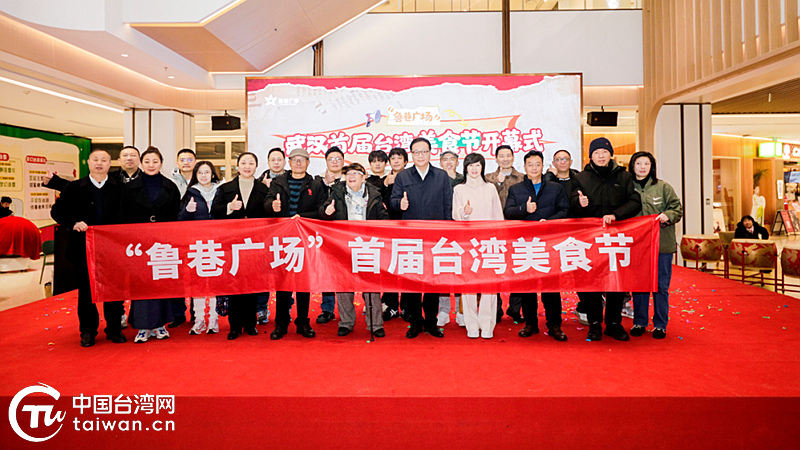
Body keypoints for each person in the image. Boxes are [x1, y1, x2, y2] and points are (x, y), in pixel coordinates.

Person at [50, 149, 125, 347]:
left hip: (112, 249)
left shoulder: (120, 188)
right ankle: (88, 331)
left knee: (113, 290)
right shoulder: (74, 188)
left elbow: (127, 214)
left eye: (104, 160)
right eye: (95, 159)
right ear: (88, 162)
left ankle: (114, 329)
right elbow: (57, 211)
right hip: (83, 248)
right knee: (86, 291)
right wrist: (73, 222)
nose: (99, 163)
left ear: (110, 164)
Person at [571, 137, 642, 341]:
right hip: (590, 239)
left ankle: (613, 323)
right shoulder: (581, 178)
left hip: (616, 238)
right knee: (591, 281)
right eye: (596, 152)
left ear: (611, 154)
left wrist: (616, 215)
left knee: (615, 282)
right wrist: (579, 203)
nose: (601, 156)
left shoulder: (624, 176)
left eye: (604, 152)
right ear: (590, 156)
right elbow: (571, 205)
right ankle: (594, 323)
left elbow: (635, 201)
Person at [390, 137, 452, 339]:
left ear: (430, 153)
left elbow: (448, 205)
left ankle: (431, 323)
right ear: (412, 155)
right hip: (411, 238)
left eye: (424, 151)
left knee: (433, 282)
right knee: (413, 283)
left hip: (435, 238)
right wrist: (400, 204)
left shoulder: (441, 176)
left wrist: (448, 232)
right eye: (416, 152)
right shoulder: (403, 176)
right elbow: (393, 200)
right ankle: (415, 322)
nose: (420, 155)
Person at [118, 146, 182, 344]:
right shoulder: (129, 188)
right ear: (141, 163)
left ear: (161, 163)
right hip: (139, 244)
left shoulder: (170, 187)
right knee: (141, 284)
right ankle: (143, 326)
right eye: (147, 161)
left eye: (155, 161)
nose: (151, 165)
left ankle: (161, 324)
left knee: (162, 282)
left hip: (163, 243)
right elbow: (123, 215)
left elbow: (176, 216)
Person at [505, 150, 570, 341]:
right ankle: (530, 323)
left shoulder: (555, 188)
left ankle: (554, 325)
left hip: (550, 243)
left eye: (537, 164)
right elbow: (508, 212)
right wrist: (524, 209)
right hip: (526, 244)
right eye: (530, 164)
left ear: (543, 166)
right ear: (524, 167)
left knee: (551, 286)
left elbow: (565, 210)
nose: (534, 168)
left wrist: (549, 221)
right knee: (528, 286)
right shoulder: (516, 189)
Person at [319, 162, 389, 337]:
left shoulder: (374, 194)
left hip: (367, 244)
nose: (351, 176)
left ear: (364, 177)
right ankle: (346, 322)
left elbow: (384, 218)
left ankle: (375, 324)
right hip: (343, 245)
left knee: (371, 285)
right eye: (348, 173)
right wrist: (327, 211)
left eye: (356, 173)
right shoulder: (336, 192)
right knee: (343, 284)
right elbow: (322, 213)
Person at [264, 147, 327, 340]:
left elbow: (321, 210)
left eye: (302, 160)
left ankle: (303, 322)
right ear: (289, 162)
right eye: (295, 160)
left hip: (304, 239)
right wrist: (272, 206)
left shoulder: (316, 185)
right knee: (283, 282)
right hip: (282, 239)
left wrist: (302, 217)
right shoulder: (278, 182)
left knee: (303, 282)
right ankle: (281, 323)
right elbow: (266, 203)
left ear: (308, 163)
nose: (298, 163)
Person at [210, 152, 269, 340]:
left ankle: (250, 324)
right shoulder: (225, 188)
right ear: (238, 165)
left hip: (254, 243)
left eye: (251, 163)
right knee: (234, 284)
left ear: (256, 166)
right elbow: (215, 211)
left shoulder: (263, 189)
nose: (247, 166)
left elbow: (269, 215)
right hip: (232, 243)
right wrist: (229, 207)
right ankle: (234, 326)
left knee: (252, 284)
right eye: (243, 163)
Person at [629, 152, 683, 340]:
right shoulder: (627, 188)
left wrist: (669, 215)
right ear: (632, 166)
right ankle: (639, 322)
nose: (642, 167)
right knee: (639, 285)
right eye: (638, 163)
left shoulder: (663, 187)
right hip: (636, 246)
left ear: (652, 166)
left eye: (647, 163)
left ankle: (660, 324)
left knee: (661, 286)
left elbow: (677, 208)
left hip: (662, 246)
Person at [452, 153, 503, 338]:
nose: (474, 169)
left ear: (482, 167)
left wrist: (499, 240)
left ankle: (487, 324)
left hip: (489, 242)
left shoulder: (490, 188)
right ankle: (471, 324)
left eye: (478, 165)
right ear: (465, 168)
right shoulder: (459, 189)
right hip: (468, 243)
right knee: (469, 286)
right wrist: (464, 212)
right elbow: (455, 214)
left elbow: (498, 216)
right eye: (471, 165)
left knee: (489, 286)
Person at [178, 161, 222, 335]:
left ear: (213, 174)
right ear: (196, 175)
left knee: (214, 283)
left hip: (217, 244)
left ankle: (213, 319)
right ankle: (199, 319)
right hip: (197, 245)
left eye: (207, 172)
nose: (204, 176)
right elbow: (180, 220)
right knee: (197, 283)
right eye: (200, 173)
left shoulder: (221, 191)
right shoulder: (191, 193)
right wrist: (187, 211)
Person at [544, 149, 588, 324]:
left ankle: (584, 307)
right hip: (554, 233)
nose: (562, 162)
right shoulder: (548, 180)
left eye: (565, 159)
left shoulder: (580, 179)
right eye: (558, 159)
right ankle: (553, 317)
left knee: (580, 271)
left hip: (577, 233)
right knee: (552, 274)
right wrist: (550, 176)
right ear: (553, 163)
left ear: (571, 161)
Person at [485, 145, 525, 324]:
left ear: (513, 157)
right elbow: (486, 200)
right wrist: (498, 184)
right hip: (494, 232)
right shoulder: (488, 179)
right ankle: (497, 307)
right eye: (502, 156)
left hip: (518, 231)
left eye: (508, 155)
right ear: (496, 159)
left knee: (518, 270)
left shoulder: (523, 178)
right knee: (495, 269)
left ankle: (515, 308)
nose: (505, 159)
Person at [255, 147, 286, 325]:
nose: (276, 162)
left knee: (286, 272)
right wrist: (263, 190)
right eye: (273, 159)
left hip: (286, 234)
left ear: (284, 162)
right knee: (263, 273)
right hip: (265, 234)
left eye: (279, 159)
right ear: (267, 162)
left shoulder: (290, 179)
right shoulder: (259, 182)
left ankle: (285, 309)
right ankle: (261, 308)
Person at [314, 146, 346, 325]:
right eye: (331, 159)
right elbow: (316, 204)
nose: (335, 162)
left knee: (347, 270)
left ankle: (347, 310)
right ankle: (327, 308)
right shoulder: (318, 180)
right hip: (325, 232)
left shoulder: (351, 178)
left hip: (345, 233)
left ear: (343, 161)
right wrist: (326, 185)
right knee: (328, 270)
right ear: (326, 162)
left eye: (338, 159)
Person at [378, 147, 409, 322]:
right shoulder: (384, 180)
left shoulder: (411, 178)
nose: (396, 161)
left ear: (406, 161)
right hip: (387, 230)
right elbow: (374, 198)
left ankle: (406, 306)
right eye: (393, 158)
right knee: (390, 268)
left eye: (400, 158)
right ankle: (390, 305)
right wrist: (384, 184)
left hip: (407, 228)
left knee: (407, 267)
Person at [438, 150, 465, 327]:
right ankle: (444, 310)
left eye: (452, 159)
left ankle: (461, 311)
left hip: (462, 231)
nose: (449, 162)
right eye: (445, 159)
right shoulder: (436, 179)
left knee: (461, 270)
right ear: (440, 162)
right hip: (441, 231)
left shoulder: (465, 179)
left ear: (457, 162)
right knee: (443, 270)